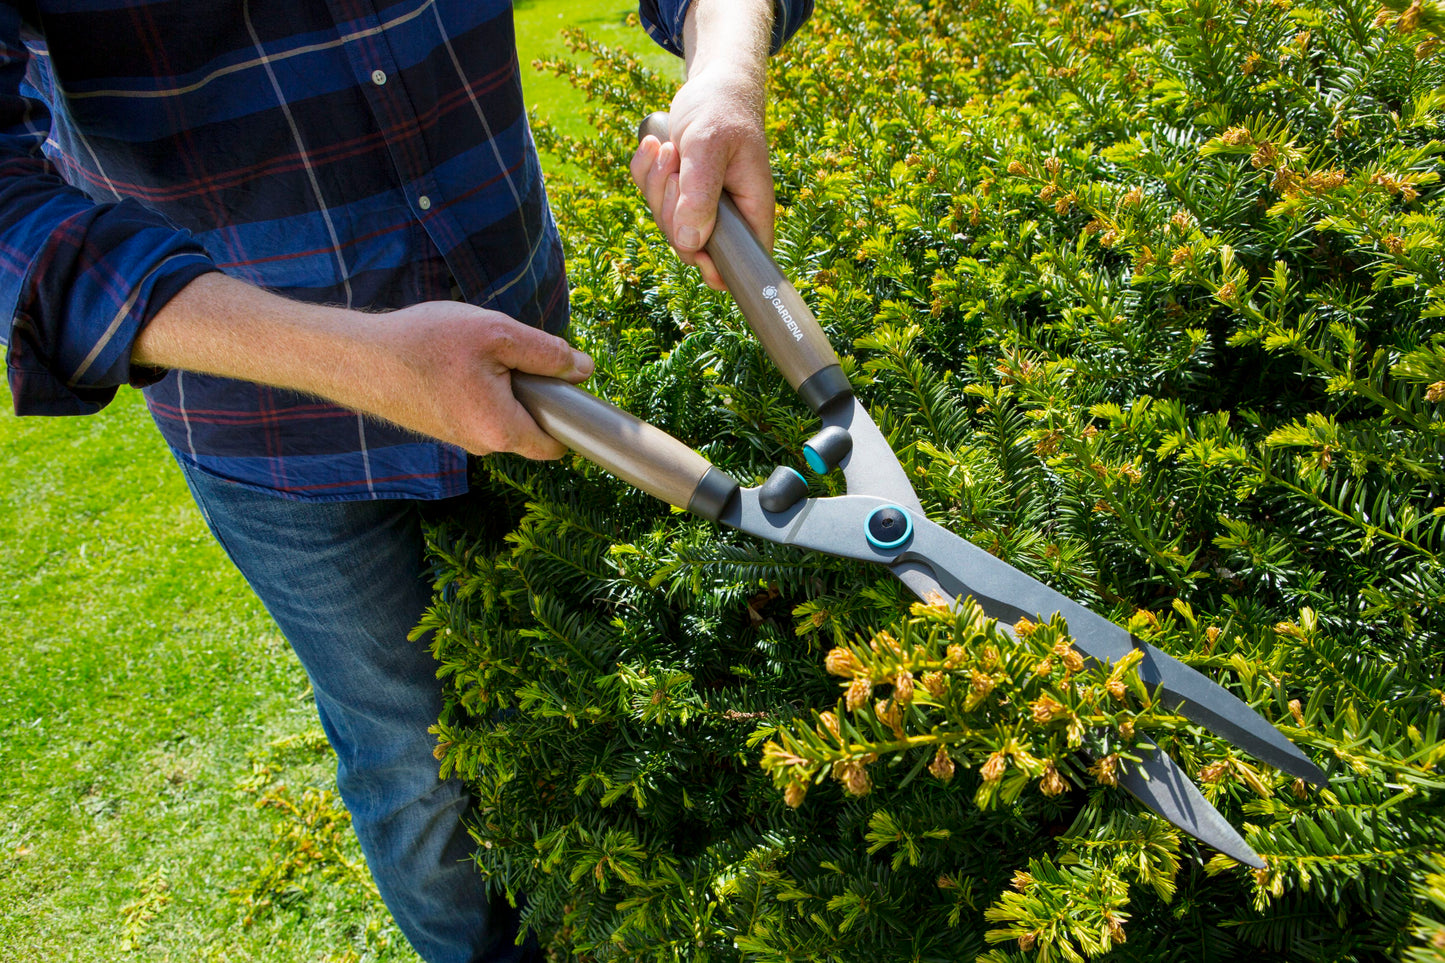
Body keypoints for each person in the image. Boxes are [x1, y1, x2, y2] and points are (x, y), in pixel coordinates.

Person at [0, 1, 812, 960]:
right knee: (415, 770)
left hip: (534, 364)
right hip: (276, 435)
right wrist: (356, 358)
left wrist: (724, 70)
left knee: (583, 695)